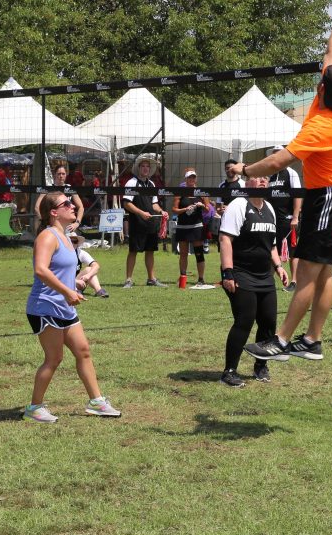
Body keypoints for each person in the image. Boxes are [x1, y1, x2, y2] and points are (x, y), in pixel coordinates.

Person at [241, 4, 332, 363]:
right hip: (331, 196)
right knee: (324, 272)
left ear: (320, 87)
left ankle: (281, 341)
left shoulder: (321, 127)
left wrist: (245, 170)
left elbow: (277, 161)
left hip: (327, 197)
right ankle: (312, 340)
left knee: (309, 273)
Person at [23, 192, 121, 423]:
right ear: (53, 212)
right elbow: (41, 270)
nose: (72, 206)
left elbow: (59, 271)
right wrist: (67, 291)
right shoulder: (48, 236)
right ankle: (34, 408)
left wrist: (74, 284)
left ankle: (96, 402)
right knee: (54, 358)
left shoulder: (67, 237)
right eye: (66, 203)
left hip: (64, 306)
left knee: (83, 351)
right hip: (45, 306)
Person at [219, 175, 289, 387]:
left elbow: (272, 245)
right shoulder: (238, 205)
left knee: (268, 322)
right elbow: (225, 239)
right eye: (257, 177)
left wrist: (278, 267)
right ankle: (229, 372)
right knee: (245, 320)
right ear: (246, 182)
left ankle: (261, 366)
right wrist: (228, 273)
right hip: (241, 273)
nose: (262, 181)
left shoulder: (269, 208)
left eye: (265, 178)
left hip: (264, 275)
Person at [122, 157, 166, 288]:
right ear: (138, 168)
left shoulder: (151, 184)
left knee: (150, 251)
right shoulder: (131, 183)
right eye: (143, 166)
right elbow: (126, 203)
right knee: (133, 251)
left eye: (147, 166)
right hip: (137, 223)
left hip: (150, 224)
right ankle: (128, 280)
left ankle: (151, 279)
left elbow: (154, 204)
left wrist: (162, 211)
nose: (145, 168)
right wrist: (141, 213)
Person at [266, 147, 302, 291]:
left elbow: (298, 195)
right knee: (270, 248)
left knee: (292, 252)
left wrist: (295, 217)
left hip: (287, 219)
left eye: (278, 154)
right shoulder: (270, 175)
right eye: (274, 154)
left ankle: (294, 281)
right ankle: (268, 280)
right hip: (271, 219)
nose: (276, 156)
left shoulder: (291, 173)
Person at [173, 169, 213, 289]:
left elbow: (208, 209)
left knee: (199, 253)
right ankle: (183, 277)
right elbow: (174, 209)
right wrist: (185, 209)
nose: (191, 179)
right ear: (185, 179)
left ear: (196, 179)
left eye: (193, 177)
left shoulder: (201, 192)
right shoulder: (180, 192)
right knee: (183, 254)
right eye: (189, 177)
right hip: (183, 226)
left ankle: (201, 279)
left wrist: (202, 205)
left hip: (197, 227)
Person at [71, 233, 109, 298]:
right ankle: (75, 290)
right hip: (63, 283)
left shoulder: (80, 253)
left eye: (75, 241)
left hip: (77, 282)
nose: (72, 244)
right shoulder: (59, 254)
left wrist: (87, 276)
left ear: (77, 244)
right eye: (70, 241)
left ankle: (99, 290)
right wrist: (75, 281)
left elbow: (96, 265)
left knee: (89, 269)